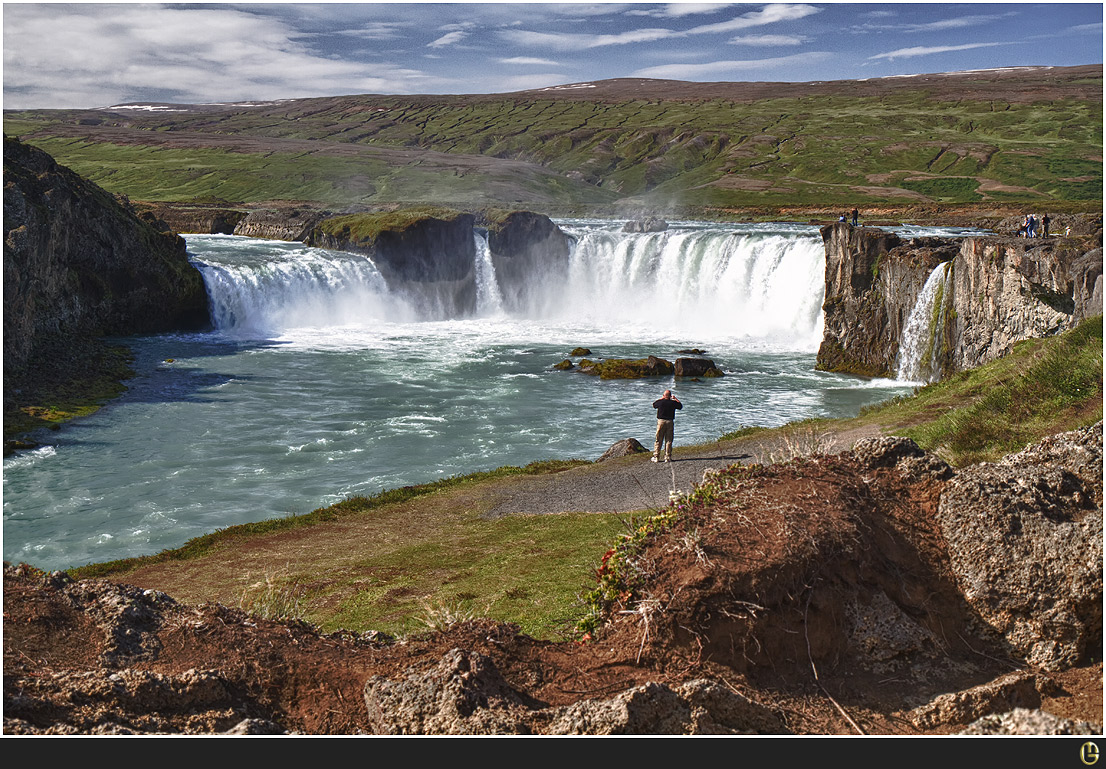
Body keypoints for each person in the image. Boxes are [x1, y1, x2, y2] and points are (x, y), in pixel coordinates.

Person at [651, 389, 682, 463]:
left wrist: (662, 398)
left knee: (658, 439)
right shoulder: (673, 403)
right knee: (669, 440)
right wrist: (675, 399)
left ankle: (656, 457)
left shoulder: (660, 402)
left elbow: (654, 405)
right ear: (670, 396)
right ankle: (667, 457)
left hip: (661, 421)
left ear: (664, 395)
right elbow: (680, 406)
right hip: (670, 422)